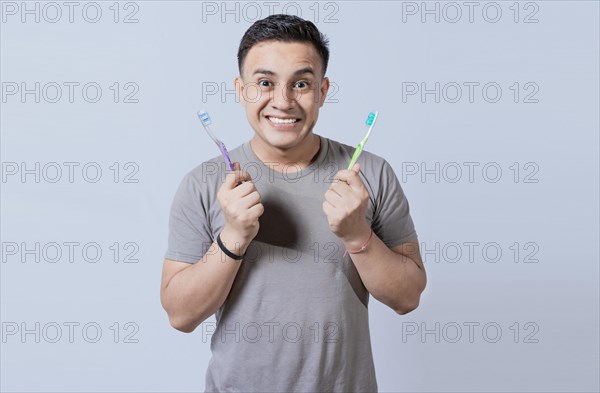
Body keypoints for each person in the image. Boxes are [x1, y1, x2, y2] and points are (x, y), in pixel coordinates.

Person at [160, 14, 426, 392]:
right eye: (265, 83)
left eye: (301, 83)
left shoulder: (372, 173)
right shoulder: (202, 183)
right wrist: (233, 237)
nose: (282, 102)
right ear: (241, 89)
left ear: (322, 91)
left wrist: (357, 236)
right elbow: (180, 314)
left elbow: (408, 297)